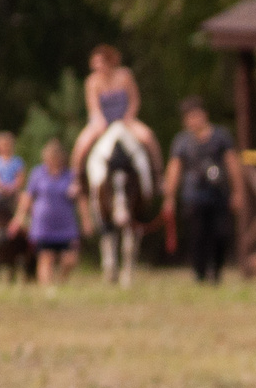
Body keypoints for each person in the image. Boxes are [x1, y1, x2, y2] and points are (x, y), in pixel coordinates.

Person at [165, 97, 244, 284]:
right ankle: (199, 274)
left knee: (221, 234)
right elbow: (174, 169)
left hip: (218, 194)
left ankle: (216, 272)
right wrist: (169, 197)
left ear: (204, 115)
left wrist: (238, 191)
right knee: (197, 236)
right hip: (194, 196)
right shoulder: (182, 141)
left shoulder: (221, 136)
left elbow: (232, 164)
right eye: (189, 117)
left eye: (195, 115)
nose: (193, 121)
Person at [69, 45, 160, 183]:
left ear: (109, 61)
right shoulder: (92, 81)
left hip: (125, 119)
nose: (97, 67)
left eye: (100, 62)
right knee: (81, 144)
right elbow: (93, 106)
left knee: (148, 137)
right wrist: (99, 121)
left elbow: (134, 99)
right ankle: (75, 180)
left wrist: (129, 116)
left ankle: (158, 175)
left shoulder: (125, 75)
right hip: (103, 121)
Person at [11, 139, 85, 286]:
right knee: (46, 258)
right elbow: (28, 197)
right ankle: (47, 291)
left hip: (66, 225)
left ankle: (61, 282)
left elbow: (81, 199)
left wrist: (85, 219)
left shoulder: (70, 175)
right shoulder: (38, 174)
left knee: (70, 259)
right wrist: (18, 218)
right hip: (43, 225)